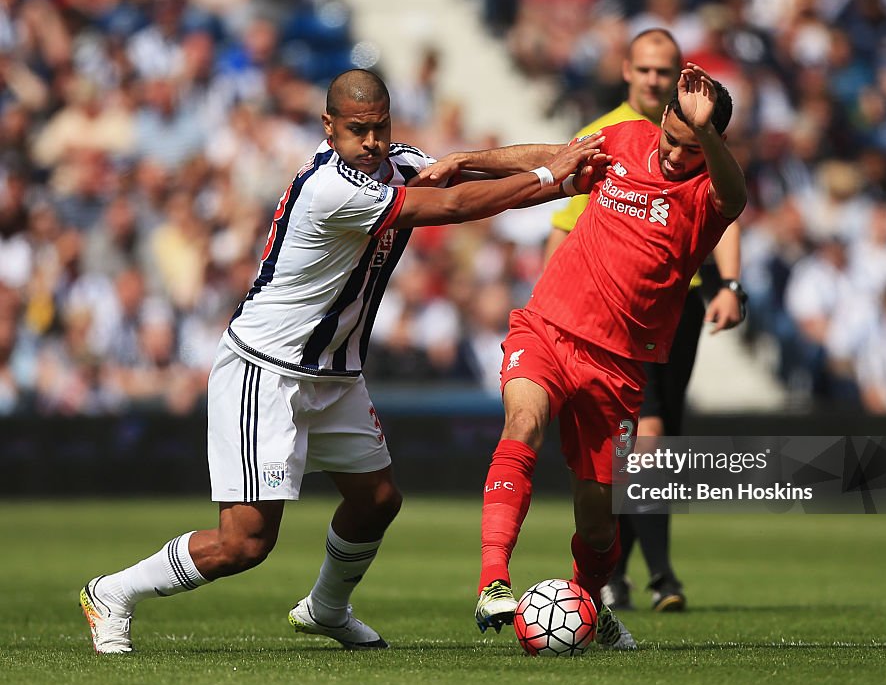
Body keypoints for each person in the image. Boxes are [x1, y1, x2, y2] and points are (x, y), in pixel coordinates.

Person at [79, 69, 605, 654]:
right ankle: (112, 593)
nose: (373, 141)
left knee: (377, 500)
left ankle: (326, 609)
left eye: (381, 127)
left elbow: (460, 168)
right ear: (328, 127)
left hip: (334, 373)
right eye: (359, 130)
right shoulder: (332, 189)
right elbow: (453, 202)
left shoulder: (394, 163)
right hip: (268, 370)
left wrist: (566, 154)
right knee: (245, 543)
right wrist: (547, 179)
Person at [423, 63, 746, 649]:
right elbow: (548, 156)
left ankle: (589, 604)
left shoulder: (707, 195)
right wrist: (464, 159)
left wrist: (706, 138)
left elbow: (736, 194)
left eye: (691, 148)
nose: (675, 156)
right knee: (522, 424)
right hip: (546, 327)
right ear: (661, 121)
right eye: (671, 139)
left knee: (598, 522)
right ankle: (493, 580)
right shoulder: (624, 139)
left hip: (617, 365)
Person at [544, 28, 745, 613]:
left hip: (682, 303)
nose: (655, 80)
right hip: (616, 312)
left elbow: (728, 211)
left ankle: (619, 574)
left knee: (657, 447)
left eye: (665, 71)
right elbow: (566, 226)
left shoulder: (703, 138)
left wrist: (729, 284)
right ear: (627, 72)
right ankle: (659, 576)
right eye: (645, 71)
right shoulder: (606, 134)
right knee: (645, 444)